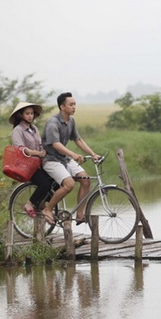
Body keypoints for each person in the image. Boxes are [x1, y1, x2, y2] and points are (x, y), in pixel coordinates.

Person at [41, 92, 100, 226]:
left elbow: (78, 139)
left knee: (86, 180)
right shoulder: (53, 122)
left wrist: (93, 153)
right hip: (51, 160)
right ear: (62, 107)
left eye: (75, 104)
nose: (74, 107)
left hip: (64, 159)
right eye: (71, 104)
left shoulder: (71, 121)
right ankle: (48, 209)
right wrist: (73, 155)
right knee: (69, 185)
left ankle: (80, 215)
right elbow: (55, 144)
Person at [9, 102, 53, 217]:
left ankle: (41, 202)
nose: (30, 116)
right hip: (26, 165)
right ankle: (30, 203)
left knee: (57, 182)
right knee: (45, 184)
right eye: (27, 113)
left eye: (32, 113)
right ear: (21, 115)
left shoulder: (34, 129)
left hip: (39, 163)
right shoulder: (18, 130)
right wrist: (37, 153)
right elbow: (21, 149)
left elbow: (40, 145)